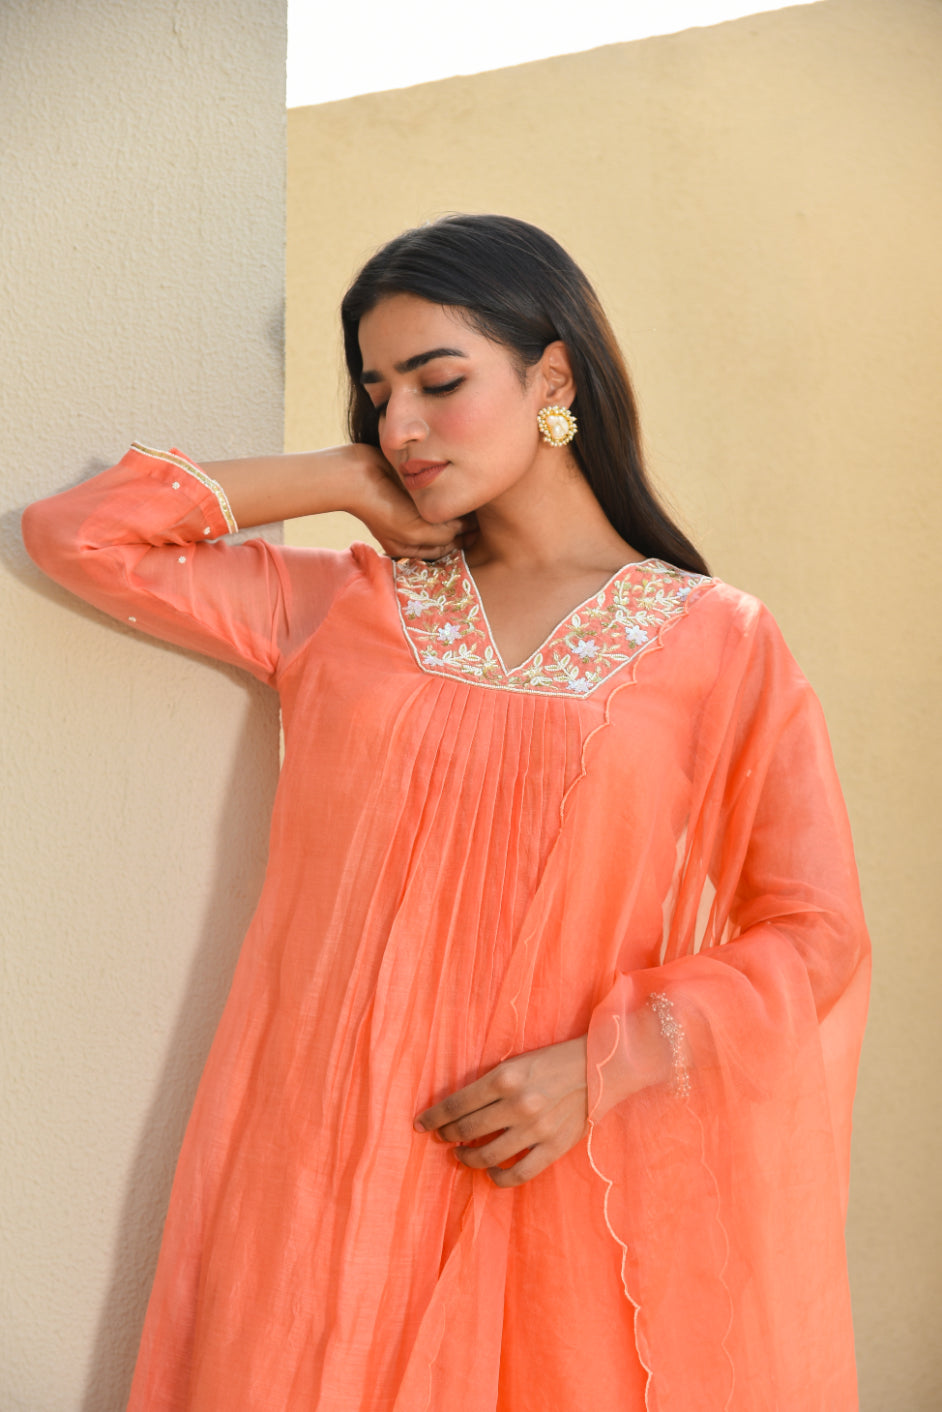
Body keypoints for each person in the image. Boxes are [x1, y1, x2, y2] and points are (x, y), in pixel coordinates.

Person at [22, 214, 870, 1411]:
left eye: (439, 381)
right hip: (326, 1174)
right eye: (377, 394)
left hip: (551, 1173)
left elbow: (816, 928)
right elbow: (82, 535)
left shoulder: (717, 642)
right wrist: (343, 480)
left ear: (553, 377)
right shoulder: (344, 608)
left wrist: (604, 1065)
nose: (402, 424)